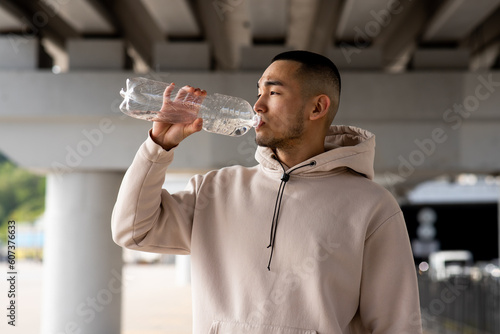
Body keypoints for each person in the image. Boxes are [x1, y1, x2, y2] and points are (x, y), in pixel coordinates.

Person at [112, 50, 422, 333]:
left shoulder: (372, 206)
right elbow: (132, 230)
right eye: (259, 91)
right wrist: (159, 145)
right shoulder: (215, 189)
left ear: (317, 107)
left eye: (273, 92)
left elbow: (396, 325)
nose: (257, 105)